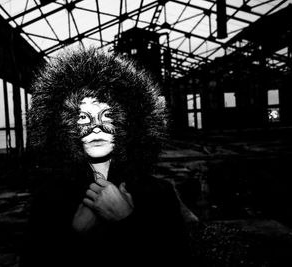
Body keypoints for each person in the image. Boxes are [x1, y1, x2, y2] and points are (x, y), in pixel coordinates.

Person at [19, 47, 191, 266]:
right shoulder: (49, 198)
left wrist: (127, 220)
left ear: (130, 120)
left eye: (108, 115)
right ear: (61, 125)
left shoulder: (159, 194)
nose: (96, 128)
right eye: (83, 118)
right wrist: (75, 233)